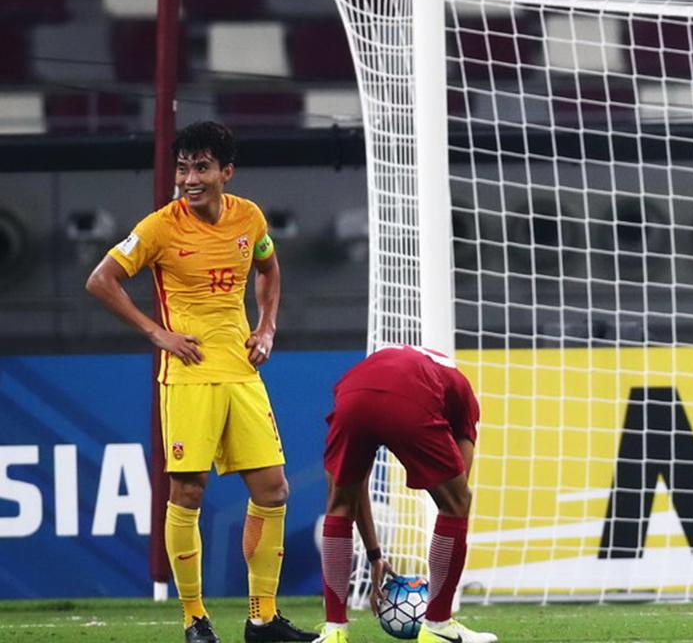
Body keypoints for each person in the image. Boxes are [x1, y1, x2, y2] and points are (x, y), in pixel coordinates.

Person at [86, 121, 315, 643]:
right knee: (188, 491)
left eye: (201, 167)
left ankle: (262, 619)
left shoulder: (249, 218)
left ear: (225, 172)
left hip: (241, 372)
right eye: (183, 167)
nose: (189, 178)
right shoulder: (158, 228)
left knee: (273, 489)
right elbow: (101, 280)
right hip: (188, 376)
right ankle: (194, 620)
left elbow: (269, 269)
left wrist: (267, 326)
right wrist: (157, 333)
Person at [315, 345, 497, 643]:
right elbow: (457, 494)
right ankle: (438, 624)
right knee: (458, 502)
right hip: (410, 393)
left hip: (351, 389)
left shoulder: (401, 361)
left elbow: (355, 484)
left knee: (338, 504)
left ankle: (334, 631)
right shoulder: (466, 400)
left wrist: (375, 555)